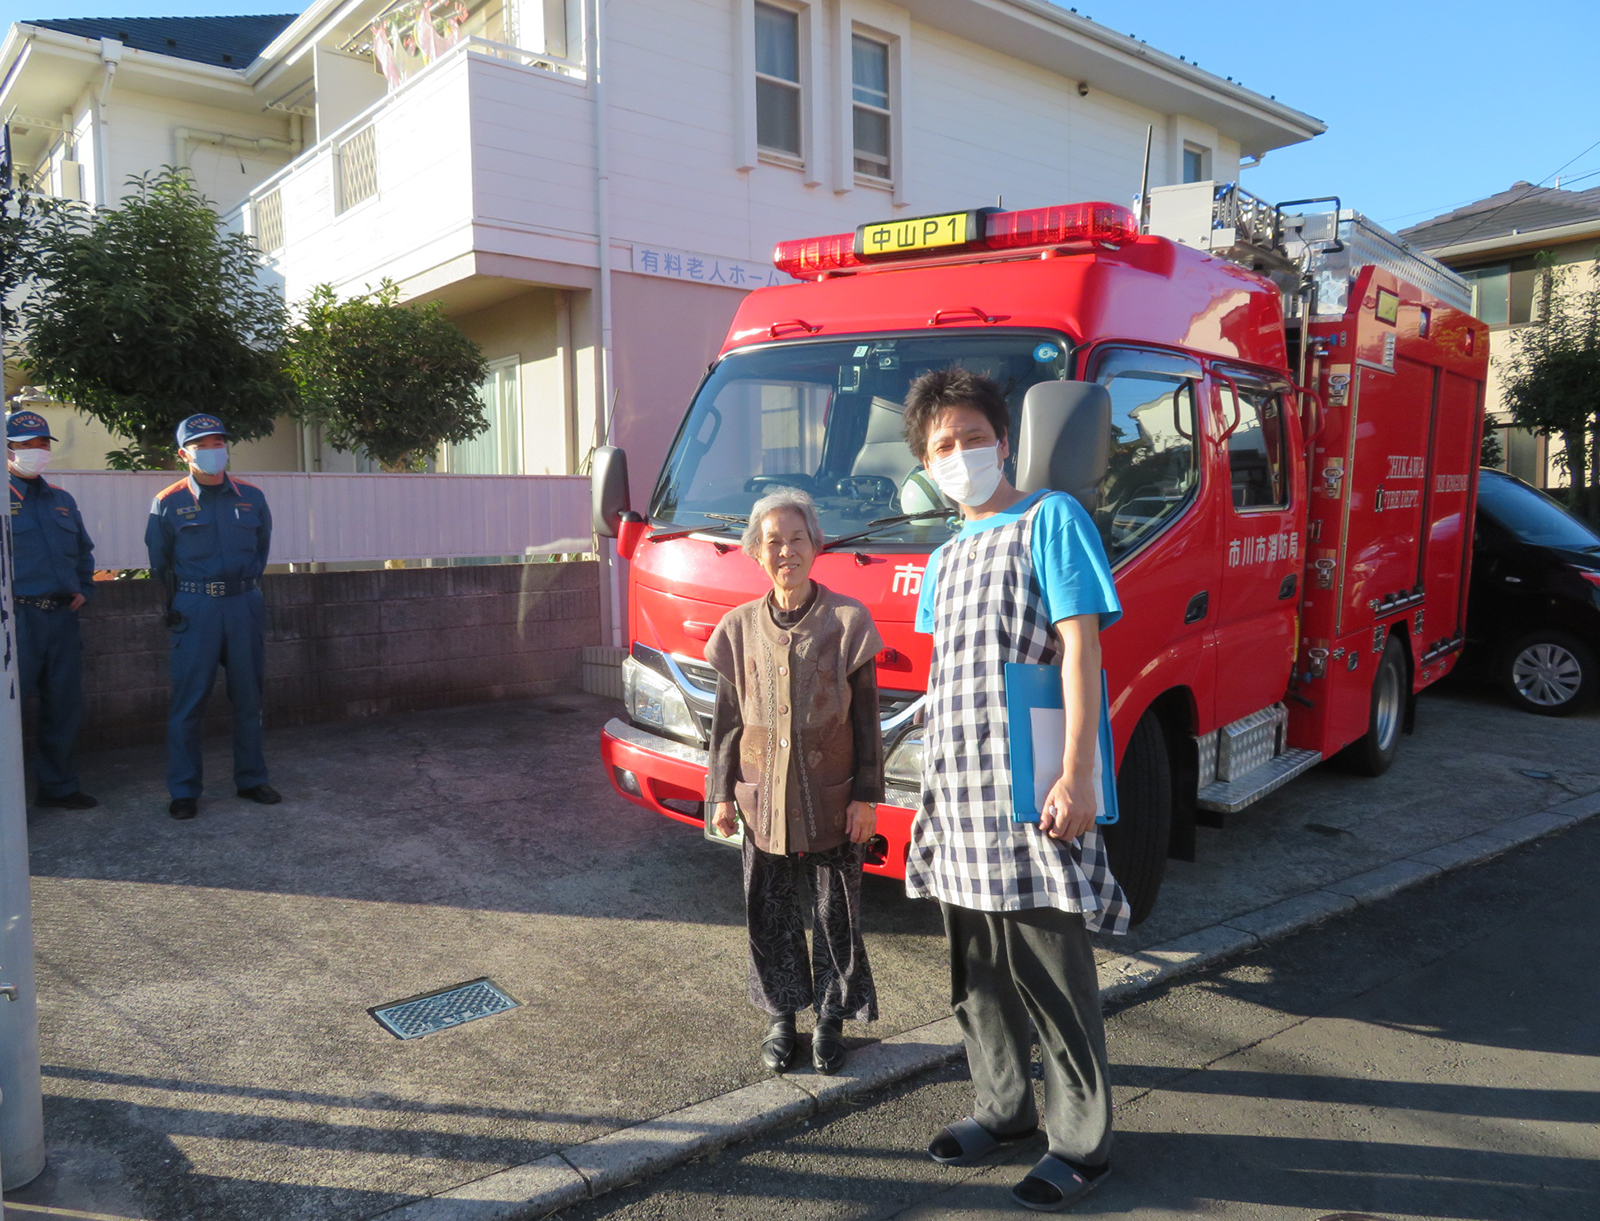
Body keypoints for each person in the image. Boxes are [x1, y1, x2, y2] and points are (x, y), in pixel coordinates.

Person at [903, 369, 1128, 1213]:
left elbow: (1080, 651)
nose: (959, 455)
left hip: (1029, 792)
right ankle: (1002, 1110)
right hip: (957, 795)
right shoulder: (944, 555)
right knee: (978, 974)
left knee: (1052, 975)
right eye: (941, 447)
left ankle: (1082, 1143)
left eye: (970, 437)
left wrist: (1077, 772)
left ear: (1002, 439)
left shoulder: (1050, 519)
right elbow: (945, 677)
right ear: (926, 465)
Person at [705, 487, 884, 1075]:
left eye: (796, 539)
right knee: (770, 910)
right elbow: (727, 723)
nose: (786, 551)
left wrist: (865, 796)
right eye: (773, 541)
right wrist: (721, 794)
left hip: (834, 801)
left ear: (817, 545)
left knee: (837, 913)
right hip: (762, 801)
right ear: (756, 552)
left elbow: (867, 722)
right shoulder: (737, 629)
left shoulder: (848, 623)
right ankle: (783, 1018)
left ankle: (830, 1019)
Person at [145, 414, 279, 820]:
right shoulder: (168, 502)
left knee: (249, 698)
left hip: (243, 604)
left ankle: (252, 779)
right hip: (196, 607)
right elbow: (159, 562)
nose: (212, 451)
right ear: (184, 454)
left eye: (218, 442)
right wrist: (184, 600)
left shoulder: (252, 497)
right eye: (202, 445)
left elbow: (261, 548)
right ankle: (184, 789)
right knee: (189, 702)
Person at [6, 410, 98, 810]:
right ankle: (9, 804)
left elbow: (82, 551)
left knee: (62, 705)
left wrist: (84, 588)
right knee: (9, 712)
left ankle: (58, 787)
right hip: (16, 621)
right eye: (26, 445)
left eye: (42, 444)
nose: (36, 451)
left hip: (60, 619)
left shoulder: (61, 499)